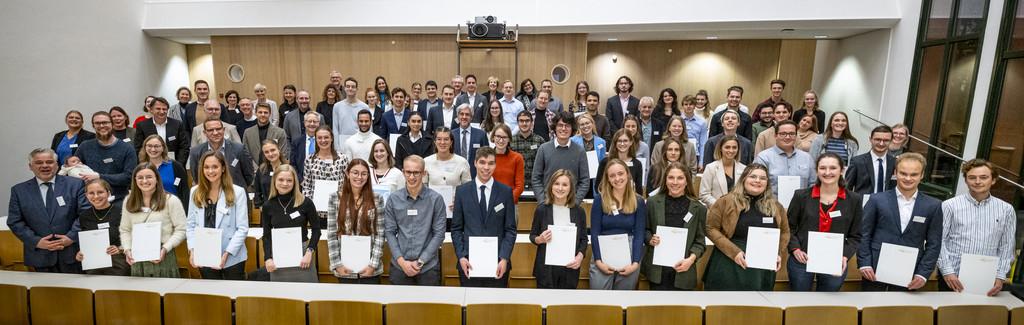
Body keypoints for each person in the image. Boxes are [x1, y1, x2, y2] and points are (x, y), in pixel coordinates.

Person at [857, 152, 943, 291]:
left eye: (914, 174)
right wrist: (864, 263)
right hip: (874, 269)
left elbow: (934, 243)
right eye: (903, 173)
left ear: (922, 175)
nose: (908, 178)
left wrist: (923, 274)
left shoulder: (933, 205)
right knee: (870, 310)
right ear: (895, 173)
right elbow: (863, 234)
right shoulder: (876, 200)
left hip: (911, 273)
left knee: (901, 311)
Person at [704, 163, 790, 291]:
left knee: (758, 307)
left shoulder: (776, 206)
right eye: (753, 176)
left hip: (762, 268)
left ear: (767, 182)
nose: (757, 181)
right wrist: (734, 252)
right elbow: (710, 228)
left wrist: (777, 253)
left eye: (762, 178)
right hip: (730, 263)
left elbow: (784, 232)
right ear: (743, 179)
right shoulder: (726, 201)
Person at [938, 159, 1016, 296]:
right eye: (972, 177)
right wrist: (947, 271)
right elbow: (939, 241)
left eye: (984, 177)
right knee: (950, 316)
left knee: (982, 317)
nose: (978, 181)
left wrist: (1000, 276)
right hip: (952, 277)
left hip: (988, 279)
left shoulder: (1006, 210)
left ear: (993, 180)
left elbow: (1007, 246)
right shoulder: (949, 206)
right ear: (966, 180)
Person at [786, 153, 863, 291]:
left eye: (833, 168)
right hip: (802, 258)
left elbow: (856, 235)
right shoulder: (801, 196)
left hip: (834, 260)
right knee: (798, 301)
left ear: (842, 170)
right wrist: (795, 249)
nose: (827, 172)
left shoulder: (854, 200)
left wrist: (844, 256)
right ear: (816, 171)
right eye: (822, 168)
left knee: (826, 303)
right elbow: (788, 228)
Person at [8, 148, 87, 273]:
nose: (45, 166)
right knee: (43, 292)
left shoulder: (76, 185)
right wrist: (37, 241)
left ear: (56, 165)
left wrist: (71, 237)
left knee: (75, 292)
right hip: (39, 256)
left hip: (73, 253)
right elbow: (14, 221)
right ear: (30, 166)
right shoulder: (19, 191)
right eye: (39, 163)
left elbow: (86, 214)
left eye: (49, 162)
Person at [452, 147, 518, 287]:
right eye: (482, 162)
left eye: (491, 163)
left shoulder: (505, 192)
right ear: (475, 163)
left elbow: (510, 230)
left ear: (495, 165)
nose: (486, 167)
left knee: (495, 307)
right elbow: (456, 229)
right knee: (469, 306)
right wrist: (462, 257)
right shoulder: (462, 192)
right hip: (468, 264)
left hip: (498, 264)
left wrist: (504, 258)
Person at [642, 162, 707, 290]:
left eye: (680, 178)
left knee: (682, 310)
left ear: (687, 181)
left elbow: (700, 242)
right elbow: (645, 230)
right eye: (671, 177)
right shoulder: (652, 202)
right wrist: (650, 238)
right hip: (657, 271)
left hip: (684, 270)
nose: (675, 182)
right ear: (665, 180)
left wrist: (691, 260)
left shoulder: (698, 208)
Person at [384, 155, 448, 285]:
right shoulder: (393, 199)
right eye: (408, 172)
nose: (412, 177)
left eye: (416, 172)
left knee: (428, 305)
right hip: (400, 267)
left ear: (424, 173)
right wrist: (402, 262)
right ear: (403, 172)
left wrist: (420, 261)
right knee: (399, 306)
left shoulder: (436, 199)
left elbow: (439, 234)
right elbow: (389, 232)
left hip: (427, 268)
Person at [186, 151, 249, 280]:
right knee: (213, 297)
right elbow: (191, 225)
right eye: (206, 167)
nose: (210, 171)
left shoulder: (238, 192)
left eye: (215, 167)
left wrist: (226, 254)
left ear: (223, 168)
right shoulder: (195, 192)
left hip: (232, 257)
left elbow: (242, 228)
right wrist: (192, 250)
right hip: (204, 255)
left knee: (233, 296)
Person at [120, 163, 187, 278]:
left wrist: (166, 248)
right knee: (143, 295)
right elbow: (125, 230)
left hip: (163, 256)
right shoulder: (128, 201)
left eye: (149, 177)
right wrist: (127, 249)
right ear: (135, 180)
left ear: (157, 178)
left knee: (165, 293)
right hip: (137, 258)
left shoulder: (171, 200)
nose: (144, 181)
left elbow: (182, 229)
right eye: (140, 177)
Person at [589, 158, 646, 290]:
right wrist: (598, 261)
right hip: (603, 254)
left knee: (623, 301)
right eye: (612, 175)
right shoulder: (600, 200)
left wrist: (635, 263)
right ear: (608, 179)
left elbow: (639, 234)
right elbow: (595, 232)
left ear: (627, 174)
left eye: (620, 174)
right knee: (600, 302)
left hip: (629, 255)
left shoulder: (638, 201)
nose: (617, 178)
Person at [327, 159, 386, 284]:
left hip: (370, 269)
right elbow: (332, 234)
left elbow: (380, 234)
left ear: (368, 176)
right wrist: (337, 265)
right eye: (355, 172)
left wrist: (373, 265)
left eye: (364, 174)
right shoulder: (334, 198)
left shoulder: (377, 199)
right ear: (347, 173)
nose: (359, 177)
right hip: (345, 268)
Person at [529, 169, 588, 289]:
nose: (560, 188)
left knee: (565, 306)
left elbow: (583, 239)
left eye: (565, 185)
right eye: (557, 184)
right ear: (551, 186)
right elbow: (532, 236)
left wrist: (580, 257)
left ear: (571, 188)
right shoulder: (542, 209)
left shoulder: (579, 211)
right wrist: (540, 239)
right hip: (546, 269)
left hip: (570, 268)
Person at [261, 164, 320, 283]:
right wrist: (267, 258)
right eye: (281, 180)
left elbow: (316, 230)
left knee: (308, 294)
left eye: (289, 180)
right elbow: (266, 236)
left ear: (294, 183)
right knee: (282, 298)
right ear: (274, 181)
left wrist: (309, 252)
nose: (285, 183)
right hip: (278, 258)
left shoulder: (305, 202)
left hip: (303, 257)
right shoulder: (268, 206)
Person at [74, 179, 131, 275]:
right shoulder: (84, 216)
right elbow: (86, 243)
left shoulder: (122, 212)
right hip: (93, 268)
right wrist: (80, 254)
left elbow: (133, 238)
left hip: (119, 266)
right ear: (86, 196)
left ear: (108, 193)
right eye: (91, 193)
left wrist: (120, 248)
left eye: (100, 192)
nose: (96, 196)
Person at [532, 111, 591, 203]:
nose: (563, 129)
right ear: (555, 127)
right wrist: (543, 201)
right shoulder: (543, 149)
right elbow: (536, 178)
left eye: (567, 126)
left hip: (571, 204)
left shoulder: (580, 151)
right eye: (560, 125)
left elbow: (585, 181)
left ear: (572, 129)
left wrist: (575, 202)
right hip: (548, 203)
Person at [77, 111, 138, 200]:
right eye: (97, 123)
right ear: (93, 126)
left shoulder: (127, 149)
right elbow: (75, 167)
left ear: (112, 124)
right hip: (91, 200)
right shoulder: (85, 146)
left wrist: (99, 177)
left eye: (105, 122)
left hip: (118, 199)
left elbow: (129, 177)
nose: (101, 126)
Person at [301, 125, 351, 227]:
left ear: (332, 138)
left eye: (326, 137)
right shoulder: (309, 160)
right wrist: (309, 207)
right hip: (316, 211)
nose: (323, 140)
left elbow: (348, 183)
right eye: (319, 138)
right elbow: (306, 186)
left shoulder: (342, 159)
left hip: (338, 209)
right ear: (316, 139)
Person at [188, 118, 255, 190]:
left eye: (218, 129)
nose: (215, 133)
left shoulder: (239, 149)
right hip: (209, 195)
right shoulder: (195, 152)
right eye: (210, 130)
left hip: (236, 196)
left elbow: (249, 175)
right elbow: (196, 177)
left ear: (223, 130)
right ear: (205, 133)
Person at [754, 120, 815, 196]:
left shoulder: (807, 158)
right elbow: (757, 184)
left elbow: (813, 184)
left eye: (792, 134)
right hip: (771, 205)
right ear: (775, 136)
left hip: (801, 206)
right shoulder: (763, 157)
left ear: (796, 136)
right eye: (783, 134)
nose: (787, 137)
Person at [134, 97, 190, 165]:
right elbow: (139, 148)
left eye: (164, 109)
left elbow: (184, 147)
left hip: (173, 164)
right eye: (158, 109)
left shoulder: (177, 124)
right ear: (151, 110)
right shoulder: (142, 126)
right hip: (150, 166)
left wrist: (178, 165)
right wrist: (145, 165)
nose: (162, 111)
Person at [139, 135, 189, 207]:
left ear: (163, 148)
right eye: (149, 146)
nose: (153, 149)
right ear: (145, 147)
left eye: (156, 146)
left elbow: (185, 192)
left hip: (173, 209)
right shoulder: (140, 168)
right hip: (148, 211)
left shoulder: (176, 166)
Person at [846, 125, 896, 195]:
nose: (881, 143)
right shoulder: (857, 162)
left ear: (891, 141)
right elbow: (847, 188)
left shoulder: (895, 162)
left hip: (886, 204)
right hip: (863, 204)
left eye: (886, 140)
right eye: (878, 139)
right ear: (870, 139)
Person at [700, 136, 747, 207]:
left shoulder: (744, 169)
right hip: (716, 211)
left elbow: (745, 193)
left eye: (734, 147)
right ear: (720, 149)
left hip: (738, 211)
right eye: (727, 147)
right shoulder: (711, 168)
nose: (731, 150)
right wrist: (720, 206)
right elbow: (704, 194)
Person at [595, 129, 643, 195]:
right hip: (609, 202)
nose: (622, 144)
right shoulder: (605, 162)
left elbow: (639, 190)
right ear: (615, 143)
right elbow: (598, 187)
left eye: (625, 141)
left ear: (631, 142)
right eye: (619, 141)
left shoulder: (637, 164)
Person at [510, 111, 545, 191]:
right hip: (515, 185)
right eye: (521, 121)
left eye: (527, 121)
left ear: (532, 123)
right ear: (517, 123)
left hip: (536, 185)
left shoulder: (540, 141)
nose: (524, 123)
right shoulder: (511, 141)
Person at [490, 124, 525, 203]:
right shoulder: (487, 157)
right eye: (498, 136)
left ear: (509, 139)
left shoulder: (517, 158)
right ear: (493, 137)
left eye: (504, 137)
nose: (501, 140)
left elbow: (519, 186)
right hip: (490, 203)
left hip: (510, 203)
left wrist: (506, 201)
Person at [453, 104, 489, 177]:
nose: (464, 117)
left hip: (475, 175)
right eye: (461, 114)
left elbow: (486, 156)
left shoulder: (481, 135)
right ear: (458, 116)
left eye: (467, 114)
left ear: (471, 117)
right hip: (455, 175)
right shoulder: (451, 134)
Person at [288, 111, 323, 181]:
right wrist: (300, 180)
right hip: (301, 181)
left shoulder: (324, 141)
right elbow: (293, 164)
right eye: (309, 121)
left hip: (321, 181)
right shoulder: (296, 142)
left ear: (319, 123)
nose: (312, 124)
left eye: (315, 121)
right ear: (304, 123)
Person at [253, 140, 288, 207]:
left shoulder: (288, 167)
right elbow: (257, 191)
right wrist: (260, 206)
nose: (270, 154)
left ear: (279, 149)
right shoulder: (261, 170)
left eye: (273, 150)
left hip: (286, 208)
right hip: (267, 210)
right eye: (266, 152)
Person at [680, 95, 708, 165]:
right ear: (683, 106)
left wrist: (701, 161)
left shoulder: (702, 122)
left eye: (691, 104)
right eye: (686, 104)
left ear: (695, 106)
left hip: (694, 155)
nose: (688, 106)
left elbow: (703, 144)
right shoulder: (677, 120)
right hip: (679, 153)